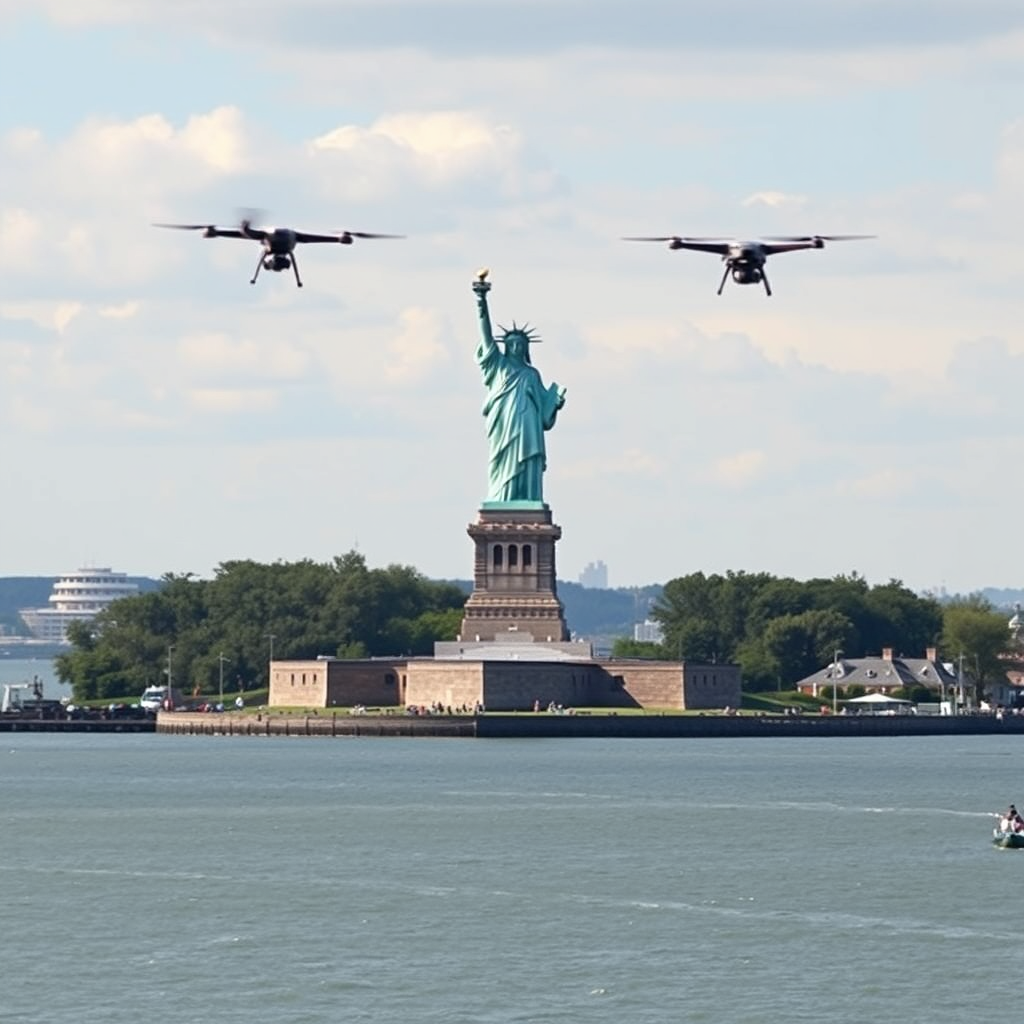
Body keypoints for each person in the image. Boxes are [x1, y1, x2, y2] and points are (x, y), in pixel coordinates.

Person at [473, 272, 566, 504]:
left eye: (519, 344)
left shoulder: (532, 374)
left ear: (526, 348)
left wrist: (555, 403)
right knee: (502, 460)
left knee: (528, 460)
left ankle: (526, 497)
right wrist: (481, 301)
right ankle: (502, 497)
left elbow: (545, 415)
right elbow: (485, 336)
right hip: (504, 423)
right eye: (511, 343)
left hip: (528, 427)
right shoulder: (498, 366)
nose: (515, 347)